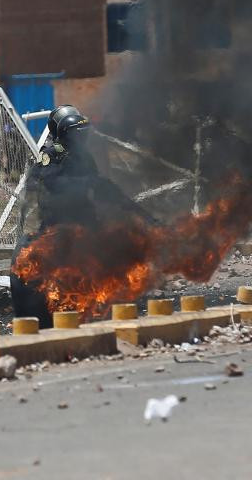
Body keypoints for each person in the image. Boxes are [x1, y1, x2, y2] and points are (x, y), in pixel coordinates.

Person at [12, 105, 151, 326]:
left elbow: (103, 187)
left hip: (84, 220)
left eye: (81, 132)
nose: (79, 138)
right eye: (74, 133)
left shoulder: (84, 157)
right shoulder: (51, 154)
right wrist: (87, 183)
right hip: (56, 223)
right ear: (62, 133)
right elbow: (51, 182)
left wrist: (141, 213)